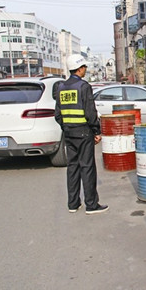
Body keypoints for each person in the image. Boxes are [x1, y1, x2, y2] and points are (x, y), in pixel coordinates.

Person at [55, 54, 109, 215]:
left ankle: (73, 204)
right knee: (87, 167)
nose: (86, 69)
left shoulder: (61, 87)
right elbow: (90, 112)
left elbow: (57, 114)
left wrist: (66, 128)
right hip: (84, 132)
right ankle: (91, 205)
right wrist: (96, 131)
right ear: (79, 68)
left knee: (72, 167)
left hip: (69, 134)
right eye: (84, 67)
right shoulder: (83, 86)